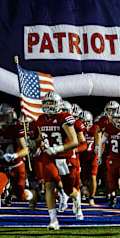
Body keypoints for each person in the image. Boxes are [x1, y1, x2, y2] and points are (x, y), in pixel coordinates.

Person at [34, 92, 80, 229]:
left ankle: (76, 197)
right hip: (49, 156)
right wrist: (32, 143)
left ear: (58, 104)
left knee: (68, 189)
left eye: (51, 103)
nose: (49, 106)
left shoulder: (64, 118)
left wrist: (57, 149)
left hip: (65, 156)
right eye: (46, 103)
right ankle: (53, 220)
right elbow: (42, 140)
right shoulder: (41, 119)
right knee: (49, 185)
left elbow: (74, 142)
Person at [0, 103, 33, 229]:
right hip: (3, 166)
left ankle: (31, 195)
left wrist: (14, 156)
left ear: (10, 116)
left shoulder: (16, 129)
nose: (0, 120)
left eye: (3, 117)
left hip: (17, 166)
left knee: (20, 196)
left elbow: (25, 150)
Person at [98, 106, 120, 215]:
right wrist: (99, 156)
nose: (118, 120)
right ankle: (112, 195)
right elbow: (101, 142)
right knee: (111, 183)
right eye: (116, 118)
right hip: (112, 158)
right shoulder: (109, 128)